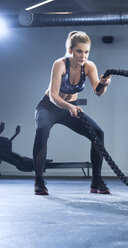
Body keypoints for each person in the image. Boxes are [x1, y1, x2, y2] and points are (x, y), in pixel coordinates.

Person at [33, 31, 112, 195]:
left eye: (86, 52)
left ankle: (96, 181)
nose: (83, 56)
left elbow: (98, 92)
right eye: (79, 51)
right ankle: (39, 182)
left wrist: (104, 84)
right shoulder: (60, 64)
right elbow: (54, 95)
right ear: (70, 50)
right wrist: (69, 107)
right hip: (49, 107)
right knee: (42, 131)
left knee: (98, 133)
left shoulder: (89, 66)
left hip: (71, 108)